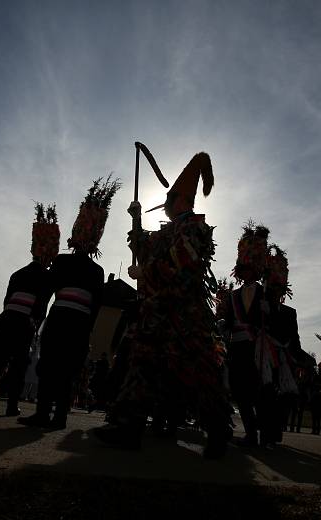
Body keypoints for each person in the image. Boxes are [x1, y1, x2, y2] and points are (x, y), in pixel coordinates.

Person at [94, 152, 232, 458]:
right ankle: (127, 428)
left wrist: (146, 272)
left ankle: (218, 433)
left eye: (170, 198)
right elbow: (145, 249)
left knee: (200, 373)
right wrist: (135, 217)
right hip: (156, 314)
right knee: (140, 365)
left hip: (186, 316)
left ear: (181, 200)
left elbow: (182, 260)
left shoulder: (195, 228)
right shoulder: (167, 231)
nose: (166, 203)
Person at [18, 178, 116, 429]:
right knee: (58, 368)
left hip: (65, 320)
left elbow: (49, 292)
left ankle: (52, 415)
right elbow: (90, 305)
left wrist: (39, 314)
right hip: (72, 322)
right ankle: (53, 415)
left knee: (58, 367)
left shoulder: (76, 265)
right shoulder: (91, 269)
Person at [0, 203, 57, 415]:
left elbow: (7, 299)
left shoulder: (18, 273)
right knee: (19, 364)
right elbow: (42, 304)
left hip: (7, 318)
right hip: (25, 322)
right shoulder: (47, 277)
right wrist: (35, 322)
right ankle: (11, 406)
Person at [222, 222, 270, 447]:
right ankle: (251, 434)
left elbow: (273, 323)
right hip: (237, 348)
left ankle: (265, 433)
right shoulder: (233, 295)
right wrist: (222, 318)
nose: (246, 272)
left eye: (250, 268)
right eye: (244, 269)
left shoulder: (265, 293)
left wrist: (269, 313)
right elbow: (229, 322)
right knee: (239, 392)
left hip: (257, 348)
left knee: (257, 392)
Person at [262, 244, 301, 446]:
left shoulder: (290, 312)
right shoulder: (260, 306)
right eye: (273, 287)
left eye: (280, 288)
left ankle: (275, 430)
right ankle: (267, 430)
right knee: (266, 393)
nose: (276, 291)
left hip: (284, 358)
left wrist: (299, 359)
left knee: (283, 395)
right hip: (263, 355)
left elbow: (294, 337)